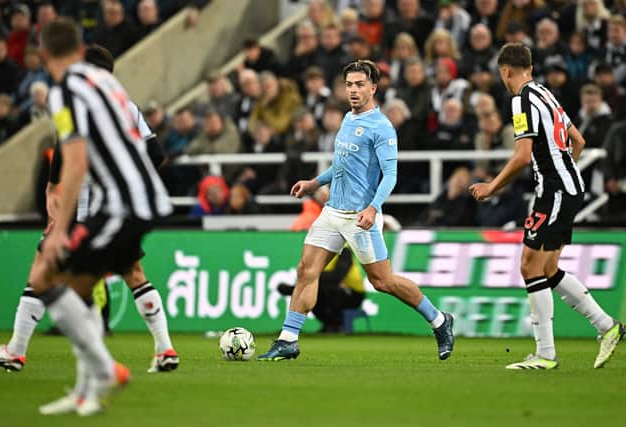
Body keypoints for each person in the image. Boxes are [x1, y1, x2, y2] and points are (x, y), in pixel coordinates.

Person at [0, 22, 173, 417]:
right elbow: (144, 149)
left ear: (46, 57)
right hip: (138, 200)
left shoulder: (67, 92)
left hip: (114, 205)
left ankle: (96, 373)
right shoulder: (111, 87)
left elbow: (73, 161)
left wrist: (61, 222)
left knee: (47, 278)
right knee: (80, 287)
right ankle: (90, 386)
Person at [257, 60, 454, 362]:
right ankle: (288, 339)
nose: (353, 90)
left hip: (359, 216)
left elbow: (390, 175)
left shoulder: (382, 127)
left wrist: (374, 209)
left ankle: (439, 320)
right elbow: (343, 165)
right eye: (349, 84)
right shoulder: (348, 119)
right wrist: (314, 183)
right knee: (306, 270)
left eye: (360, 84)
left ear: (373, 88)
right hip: (332, 211)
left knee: (383, 281)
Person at [469, 43, 624, 370]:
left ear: (505, 71)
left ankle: (546, 354)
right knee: (548, 268)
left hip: (554, 190)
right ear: (531, 68)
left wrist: (491, 187)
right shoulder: (546, 94)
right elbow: (578, 141)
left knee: (529, 265)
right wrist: (566, 173)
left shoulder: (521, 100)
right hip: (571, 186)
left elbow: (523, 156)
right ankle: (606, 326)